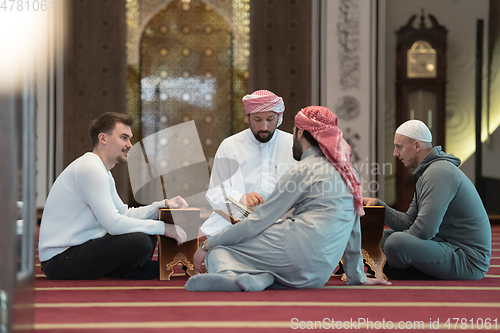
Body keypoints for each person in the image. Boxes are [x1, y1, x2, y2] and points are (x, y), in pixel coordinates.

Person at [185, 106, 391, 291]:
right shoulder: (349, 171)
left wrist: (207, 245)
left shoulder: (302, 170)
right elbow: (354, 228)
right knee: (252, 248)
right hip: (319, 274)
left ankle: (227, 275)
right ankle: (260, 279)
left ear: (300, 132)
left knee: (221, 248)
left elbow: (258, 221)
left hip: (294, 251)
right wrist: (356, 276)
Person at [38, 112, 188, 280]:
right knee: (141, 241)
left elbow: (124, 214)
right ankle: (127, 270)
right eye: (124, 138)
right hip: (60, 260)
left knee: (145, 232)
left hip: (78, 249)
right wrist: (165, 228)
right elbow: (114, 224)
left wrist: (163, 204)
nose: (130, 145)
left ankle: (127, 270)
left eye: (130, 139)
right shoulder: (91, 168)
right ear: (103, 138)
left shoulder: (102, 170)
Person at [364, 120, 491, 280]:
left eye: (399, 147)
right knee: (382, 238)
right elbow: (410, 222)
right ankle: (401, 266)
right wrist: (379, 206)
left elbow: (424, 231)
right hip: (447, 247)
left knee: (395, 242)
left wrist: (395, 247)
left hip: (468, 261)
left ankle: (400, 269)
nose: (395, 153)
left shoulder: (439, 173)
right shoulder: (430, 172)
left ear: (417, 146)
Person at [201, 90, 295, 237]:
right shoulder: (230, 146)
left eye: (270, 119)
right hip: (236, 227)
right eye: (257, 120)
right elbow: (215, 193)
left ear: (279, 117)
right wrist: (241, 198)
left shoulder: (292, 145)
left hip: (282, 229)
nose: (264, 127)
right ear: (247, 117)